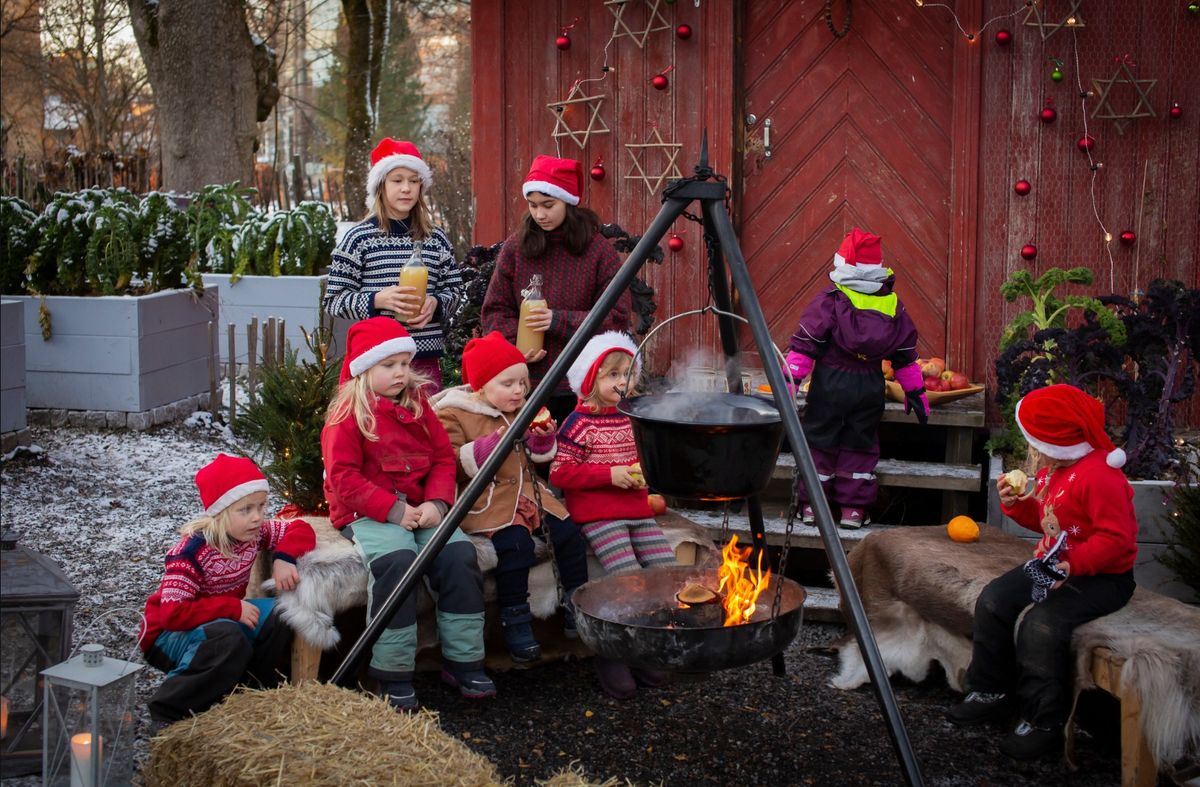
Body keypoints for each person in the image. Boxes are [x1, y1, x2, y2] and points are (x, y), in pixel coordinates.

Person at [947, 384, 1138, 761]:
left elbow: (1119, 540)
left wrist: (1077, 563)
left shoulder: (1100, 477)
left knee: (1042, 626)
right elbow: (1051, 522)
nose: (1032, 451)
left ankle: (1044, 719)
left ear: (1057, 440)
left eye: (1036, 443)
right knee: (994, 599)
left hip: (1101, 578)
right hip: (1052, 564)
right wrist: (1019, 506)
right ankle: (991, 688)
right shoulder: (1058, 470)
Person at [321, 316, 493, 711]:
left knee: (457, 555)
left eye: (404, 363)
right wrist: (392, 510)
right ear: (365, 369)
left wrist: (437, 503)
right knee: (398, 563)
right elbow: (343, 478)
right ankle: (391, 671)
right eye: (389, 365)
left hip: (420, 507)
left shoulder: (419, 405)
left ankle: (464, 661)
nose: (401, 372)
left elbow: (441, 459)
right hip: (368, 511)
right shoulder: (348, 415)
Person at [430, 330, 589, 663]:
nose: (518, 391)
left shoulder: (523, 409)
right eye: (508, 384)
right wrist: (489, 447)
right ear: (481, 386)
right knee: (515, 546)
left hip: (528, 493)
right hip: (487, 499)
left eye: (522, 382)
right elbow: (451, 463)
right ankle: (515, 620)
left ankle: (577, 607)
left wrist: (544, 440)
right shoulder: (454, 414)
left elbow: (537, 458)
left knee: (570, 535)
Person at [139, 454, 316, 727]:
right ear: (220, 512)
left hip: (219, 622)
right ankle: (169, 709)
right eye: (245, 509)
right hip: (168, 635)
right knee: (228, 637)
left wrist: (284, 558)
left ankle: (249, 690)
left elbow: (301, 528)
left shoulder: (253, 533)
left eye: (261, 506)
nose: (257, 517)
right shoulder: (191, 552)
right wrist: (232, 608)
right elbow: (171, 614)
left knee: (283, 611)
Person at [551, 331, 674, 699]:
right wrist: (609, 474)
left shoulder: (633, 417)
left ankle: (647, 645)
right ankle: (613, 651)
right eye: (612, 375)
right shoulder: (578, 423)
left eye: (628, 375)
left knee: (667, 569)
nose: (622, 383)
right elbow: (560, 472)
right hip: (598, 514)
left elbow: (648, 458)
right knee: (628, 578)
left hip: (636, 508)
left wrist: (646, 470)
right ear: (591, 379)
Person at [784, 227, 926, 529]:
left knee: (820, 441)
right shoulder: (891, 303)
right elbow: (905, 354)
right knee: (860, 444)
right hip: (870, 385)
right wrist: (916, 391)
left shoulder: (831, 299)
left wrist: (788, 382)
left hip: (831, 384)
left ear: (843, 263)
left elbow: (804, 346)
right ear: (878, 267)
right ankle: (853, 510)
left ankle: (812, 507)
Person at [481, 155, 631, 423]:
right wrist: (516, 344)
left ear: (569, 202)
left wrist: (557, 320)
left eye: (548, 205)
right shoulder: (516, 248)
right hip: (523, 383)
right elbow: (494, 310)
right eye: (533, 205)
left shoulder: (598, 251)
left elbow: (617, 317)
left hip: (582, 385)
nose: (540, 214)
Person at [324, 138, 465, 388]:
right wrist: (377, 300)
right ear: (381, 185)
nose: (406, 188)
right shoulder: (359, 239)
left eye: (414, 180)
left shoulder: (436, 239)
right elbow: (334, 301)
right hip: (375, 362)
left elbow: (455, 291)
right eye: (397, 180)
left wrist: (437, 304)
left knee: (423, 425)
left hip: (424, 361)